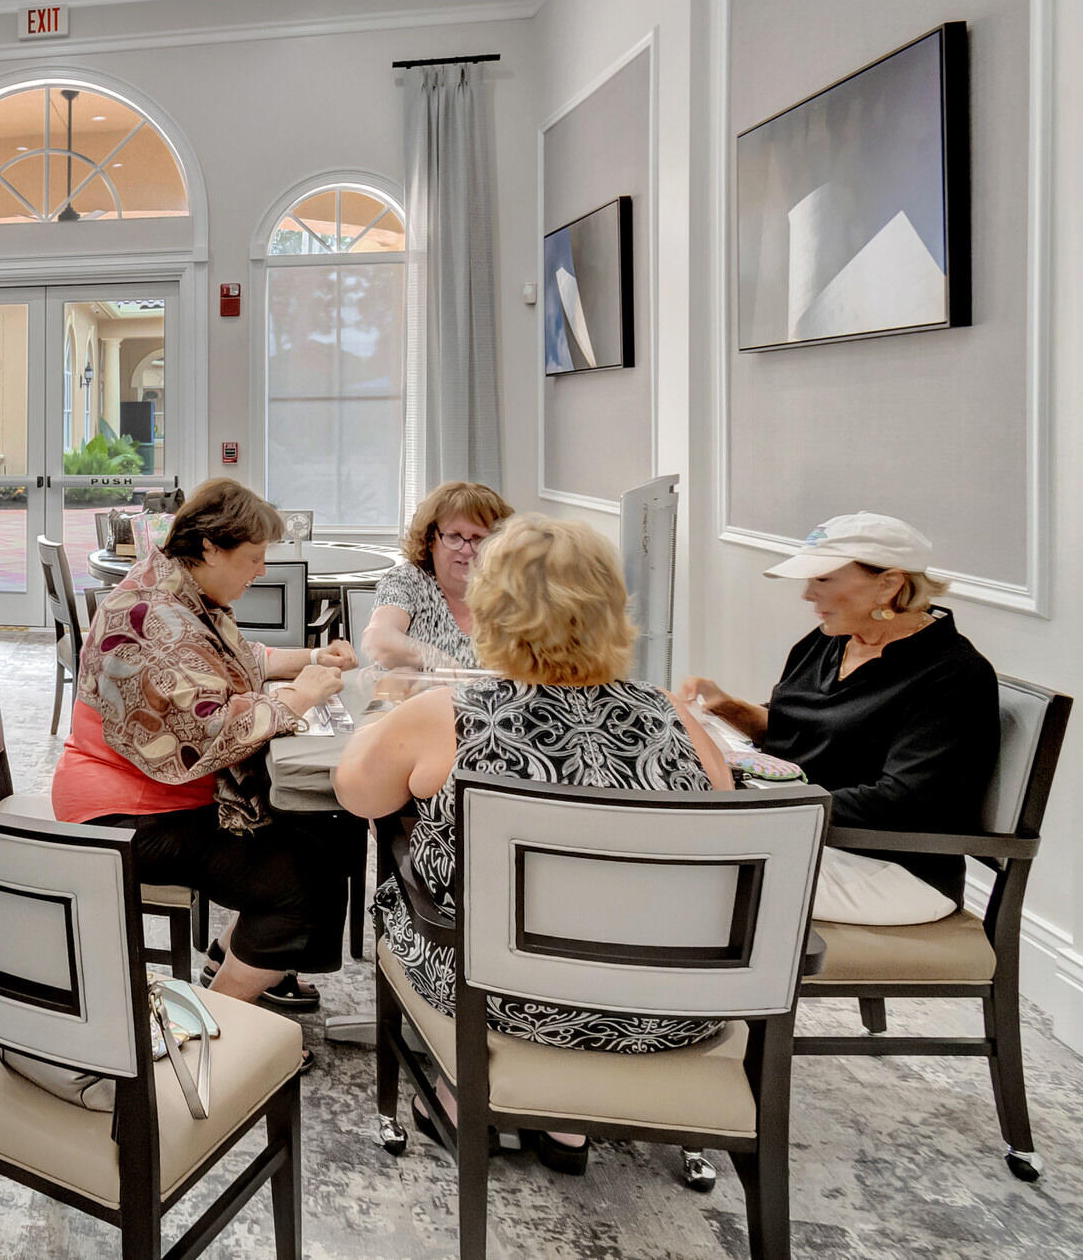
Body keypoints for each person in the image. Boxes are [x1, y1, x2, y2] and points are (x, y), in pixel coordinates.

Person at [334, 514, 734, 1174]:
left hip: (506, 1001)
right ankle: (568, 1125)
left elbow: (358, 796)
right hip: (666, 1007)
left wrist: (384, 710)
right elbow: (722, 814)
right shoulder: (672, 714)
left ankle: (465, 1095)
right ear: (612, 609)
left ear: (493, 609)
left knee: (402, 900)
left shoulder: (450, 715)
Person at [50, 479, 362, 1012]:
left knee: (323, 832)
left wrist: (309, 660)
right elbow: (211, 733)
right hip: (128, 815)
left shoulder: (177, 590)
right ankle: (217, 1019)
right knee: (302, 883)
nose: (261, 572)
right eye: (255, 558)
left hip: (144, 793)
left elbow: (233, 661)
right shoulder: (155, 618)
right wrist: (297, 702)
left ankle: (238, 958)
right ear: (212, 548)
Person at [676, 512, 998, 926]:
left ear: (889, 584)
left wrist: (760, 804)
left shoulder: (952, 674)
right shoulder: (828, 643)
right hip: (812, 837)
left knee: (684, 869)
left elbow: (901, 801)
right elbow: (801, 733)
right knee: (672, 848)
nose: (807, 595)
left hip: (892, 870)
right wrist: (723, 706)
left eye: (823, 579)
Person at [359, 480, 513, 669]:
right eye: (453, 537)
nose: (465, 550)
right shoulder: (408, 580)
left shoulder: (511, 590)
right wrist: (439, 661)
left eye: (478, 538)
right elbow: (378, 639)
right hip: (409, 696)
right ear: (430, 540)